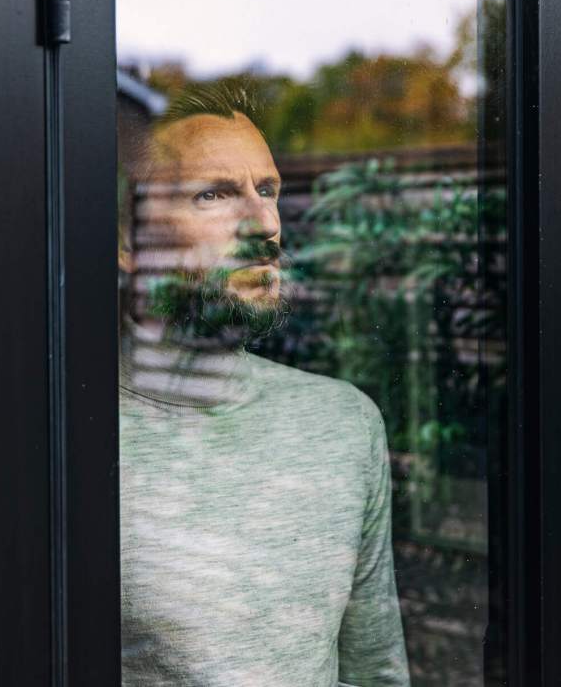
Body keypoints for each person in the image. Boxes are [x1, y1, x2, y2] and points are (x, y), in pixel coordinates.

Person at [117, 81, 410, 686]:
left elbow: (374, 670)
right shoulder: (60, 429)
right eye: (214, 194)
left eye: (268, 190)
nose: (266, 224)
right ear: (125, 239)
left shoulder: (343, 424)